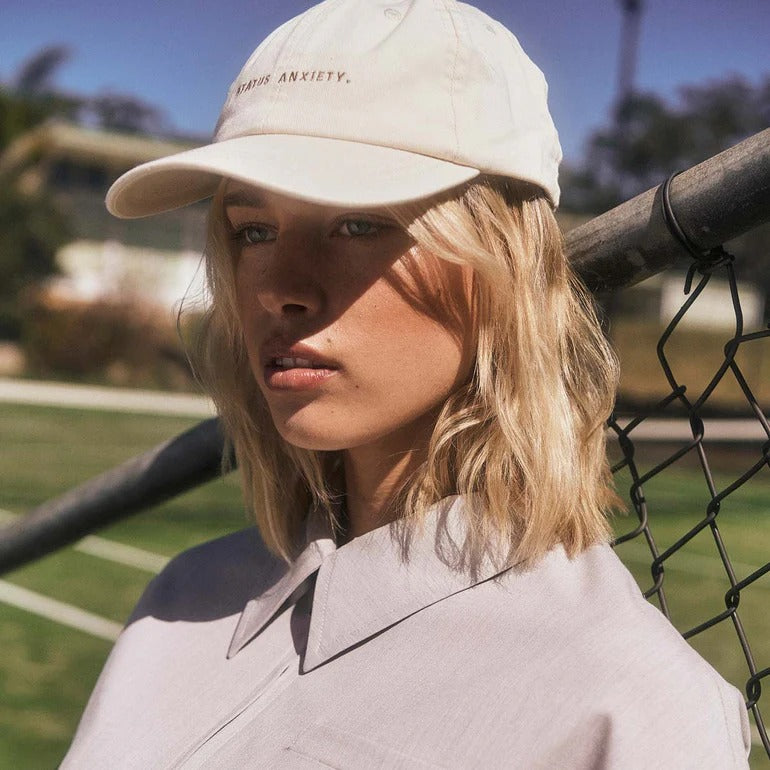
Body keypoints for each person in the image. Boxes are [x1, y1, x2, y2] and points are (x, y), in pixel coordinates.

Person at [62, 0, 751, 767]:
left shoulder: (627, 706)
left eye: (358, 223)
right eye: (254, 230)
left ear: (502, 264)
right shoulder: (181, 600)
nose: (280, 289)